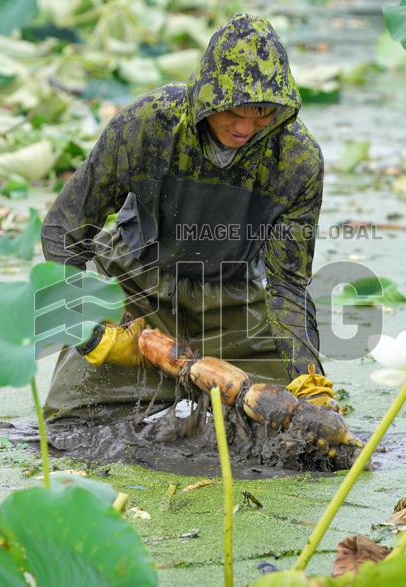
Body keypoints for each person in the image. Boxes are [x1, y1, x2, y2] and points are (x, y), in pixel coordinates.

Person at [41, 13, 336, 419]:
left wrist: (309, 379)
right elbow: (64, 230)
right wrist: (90, 328)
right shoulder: (147, 124)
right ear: (208, 98)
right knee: (69, 419)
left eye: (263, 111)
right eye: (236, 109)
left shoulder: (298, 159)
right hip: (137, 289)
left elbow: (287, 286)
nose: (247, 127)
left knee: (300, 421)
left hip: (235, 300)